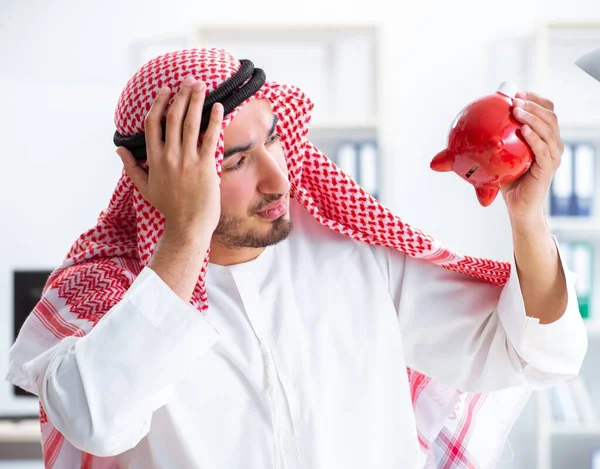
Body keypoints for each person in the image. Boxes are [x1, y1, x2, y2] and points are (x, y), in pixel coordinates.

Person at [7, 48, 587, 469]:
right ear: (154, 179)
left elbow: (535, 355)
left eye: (275, 139)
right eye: (234, 161)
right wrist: (185, 235)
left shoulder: (356, 255)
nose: (279, 176)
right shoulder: (106, 292)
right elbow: (97, 423)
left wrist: (526, 216)